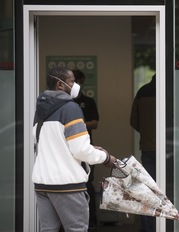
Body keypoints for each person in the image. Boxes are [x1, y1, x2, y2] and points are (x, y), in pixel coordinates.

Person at [32, 66, 116, 232]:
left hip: (42, 184)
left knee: (48, 229)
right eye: (72, 81)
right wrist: (106, 157)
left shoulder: (40, 110)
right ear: (60, 85)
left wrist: (90, 147)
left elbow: (51, 143)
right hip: (67, 185)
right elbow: (80, 151)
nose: (76, 85)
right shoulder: (70, 109)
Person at [72, 69, 99, 229]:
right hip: (66, 150)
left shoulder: (88, 102)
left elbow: (95, 123)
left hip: (84, 147)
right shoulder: (62, 104)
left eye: (78, 81)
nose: (76, 85)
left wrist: (75, 124)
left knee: (87, 184)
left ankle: (91, 221)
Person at [130, 74, 156, 232]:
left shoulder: (142, 91)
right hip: (171, 148)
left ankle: (148, 228)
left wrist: (147, 133)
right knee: (171, 189)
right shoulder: (172, 89)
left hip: (148, 147)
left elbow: (133, 120)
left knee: (146, 190)